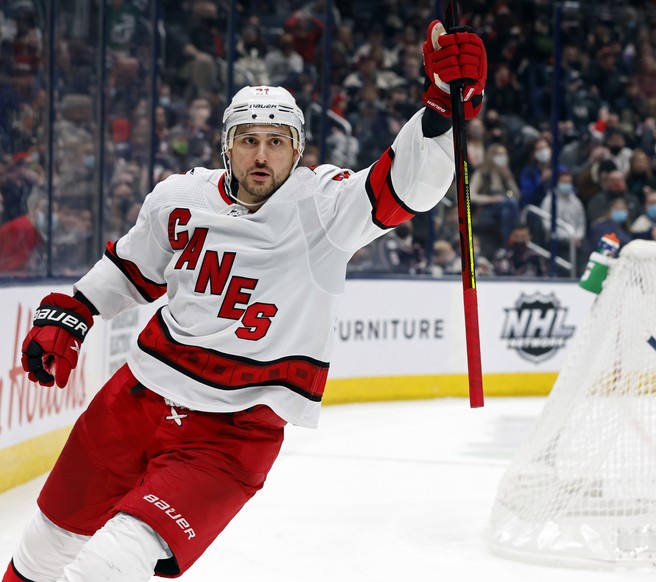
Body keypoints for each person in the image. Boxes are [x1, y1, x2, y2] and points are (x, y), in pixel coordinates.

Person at [2, 20, 487, 582]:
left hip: (232, 434)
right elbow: (131, 269)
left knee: (111, 565)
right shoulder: (179, 199)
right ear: (226, 146)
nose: (262, 155)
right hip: (134, 399)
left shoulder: (325, 209)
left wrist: (438, 111)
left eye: (277, 142)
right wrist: (76, 311)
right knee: (41, 552)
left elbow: (406, 188)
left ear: (297, 150)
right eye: (249, 140)